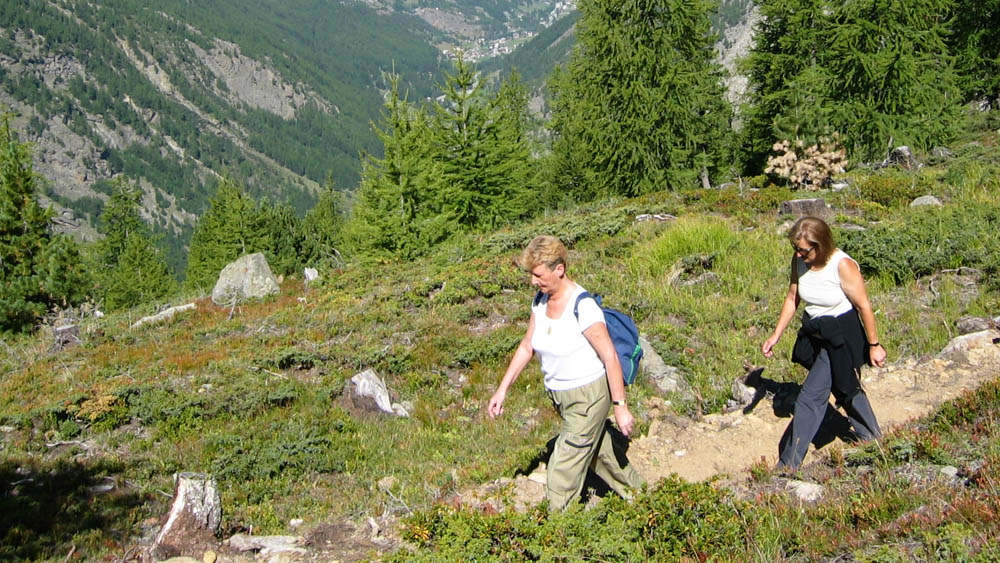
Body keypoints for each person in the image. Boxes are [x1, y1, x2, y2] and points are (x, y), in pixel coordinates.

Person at [487, 235, 644, 510]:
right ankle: (644, 499)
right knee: (599, 452)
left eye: (538, 274)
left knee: (561, 470)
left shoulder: (583, 307)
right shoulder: (540, 301)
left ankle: (561, 534)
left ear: (559, 269)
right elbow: (527, 346)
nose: (533, 281)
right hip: (562, 397)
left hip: (589, 397)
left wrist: (620, 406)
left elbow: (610, 358)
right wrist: (503, 389)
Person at [762, 216, 885, 470]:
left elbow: (864, 306)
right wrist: (776, 334)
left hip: (841, 334)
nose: (798, 254)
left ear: (820, 245)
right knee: (845, 387)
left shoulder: (842, 265)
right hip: (816, 332)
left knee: (810, 397)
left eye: (803, 250)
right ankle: (873, 440)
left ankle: (788, 464)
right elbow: (792, 297)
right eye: (795, 248)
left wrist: (874, 345)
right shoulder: (800, 262)